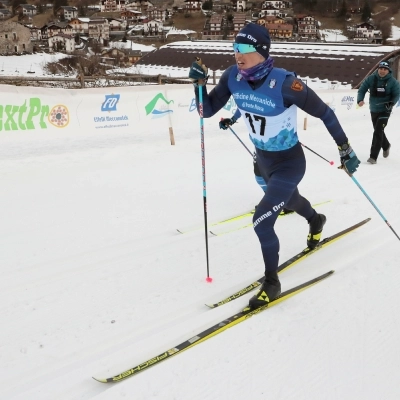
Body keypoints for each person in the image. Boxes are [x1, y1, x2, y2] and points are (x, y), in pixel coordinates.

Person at [189, 23, 360, 310]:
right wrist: (198, 86)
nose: (237, 55)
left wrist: (345, 148)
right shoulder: (233, 77)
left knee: (262, 220)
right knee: (289, 199)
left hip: (289, 163)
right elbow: (206, 110)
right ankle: (315, 219)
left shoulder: (285, 83)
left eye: (244, 49)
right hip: (263, 161)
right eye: (235, 48)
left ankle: (272, 282)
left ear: (261, 51)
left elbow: (325, 113)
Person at [220, 111, 294, 215]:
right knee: (259, 175)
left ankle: (280, 202)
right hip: (260, 142)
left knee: (274, 172)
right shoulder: (249, 97)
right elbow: (243, 105)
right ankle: (277, 200)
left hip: (274, 140)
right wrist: (233, 119)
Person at [357, 60, 400, 164]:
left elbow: (397, 94)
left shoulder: (393, 82)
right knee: (379, 130)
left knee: (377, 131)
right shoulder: (371, 79)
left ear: (388, 70)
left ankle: (373, 157)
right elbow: (362, 89)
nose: (382, 71)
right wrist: (360, 99)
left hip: (385, 110)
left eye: (385, 69)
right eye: (381, 69)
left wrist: (391, 103)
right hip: (374, 109)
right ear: (378, 69)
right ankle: (386, 145)